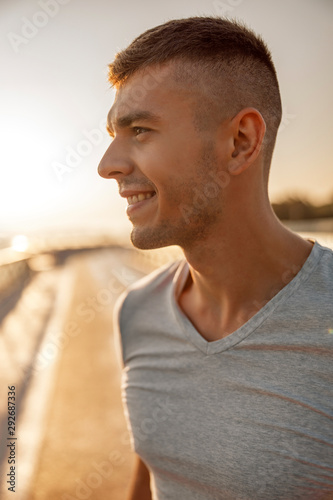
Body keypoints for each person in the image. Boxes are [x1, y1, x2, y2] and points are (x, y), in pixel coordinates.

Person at [98, 17, 333, 500]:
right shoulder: (136, 312)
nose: (107, 165)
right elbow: (151, 475)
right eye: (112, 133)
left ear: (240, 142)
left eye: (139, 129)